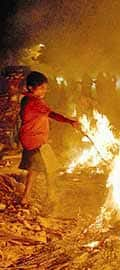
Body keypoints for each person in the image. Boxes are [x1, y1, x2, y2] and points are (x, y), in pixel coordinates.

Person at [18, 71, 80, 206]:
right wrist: (70, 121)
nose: (45, 90)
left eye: (45, 87)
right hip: (36, 140)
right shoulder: (35, 102)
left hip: (28, 138)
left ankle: (25, 197)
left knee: (33, 169)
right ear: (31, 88)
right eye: (42, 88)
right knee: (51, 168)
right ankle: (51, 196)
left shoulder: (26, 99)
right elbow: (52, 114)